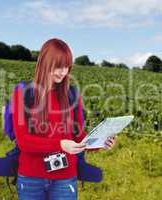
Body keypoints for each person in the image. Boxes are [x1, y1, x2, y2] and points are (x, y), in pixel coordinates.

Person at [11, 38, 116, 200]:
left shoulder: (72, 94)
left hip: (65, 178)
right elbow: (24, 141)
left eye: (66, 66)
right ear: (45, 63)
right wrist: (60, 144)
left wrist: (100, 142)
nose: (63, 72)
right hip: (31, 177)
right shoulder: (23, 93)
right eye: (58, 66)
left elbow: (78, 135)